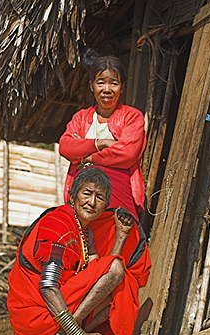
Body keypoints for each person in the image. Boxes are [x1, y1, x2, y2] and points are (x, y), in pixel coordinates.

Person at [7, 167, 151, 335]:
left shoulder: (85, 233)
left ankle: (66, 334)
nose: (92, 202)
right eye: (87, 193)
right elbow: (48, 287)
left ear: (106, 206)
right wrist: (78, 334)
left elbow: (99, 274)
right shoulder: (58, 222)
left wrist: (121, 236)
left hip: (56, 316)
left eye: (99, 198)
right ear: (72, 196)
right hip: (35, 319)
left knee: (122, 287)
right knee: (115, 268)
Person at [59, 50, 147, 220]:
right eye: (101, 83)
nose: (107, 89)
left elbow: (128, 154)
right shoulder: (81, 118)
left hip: (118, 192)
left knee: (118, 237)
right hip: (82, 195)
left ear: (122, 86)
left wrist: (86, 157)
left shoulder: (132, 117)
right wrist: (102, 143)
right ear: (92, 85)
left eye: (114, 83)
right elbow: (66, 148)